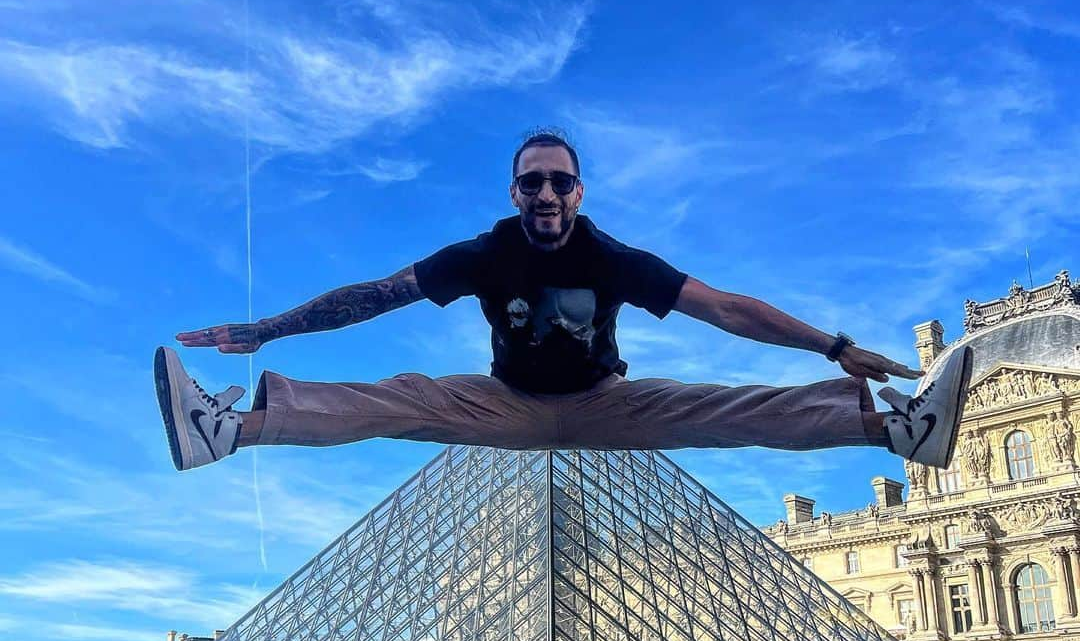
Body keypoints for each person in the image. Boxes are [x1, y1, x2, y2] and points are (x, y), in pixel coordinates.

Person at [154, 131, 972, 478]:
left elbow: (725, 310)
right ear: (514, 191)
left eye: (560, 180)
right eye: (532, 180)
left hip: (605, 403)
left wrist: (834, 348)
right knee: (400, 396)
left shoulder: (614, 258)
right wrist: (268, 329)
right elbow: (374, 296)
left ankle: (896, 429)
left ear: (578, 190)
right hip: (502, 404)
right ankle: (225, 432)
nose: (546, 192)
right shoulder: (481, 253)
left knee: (724, 406)